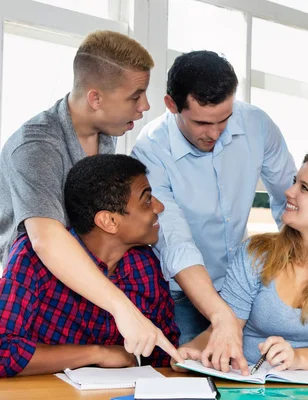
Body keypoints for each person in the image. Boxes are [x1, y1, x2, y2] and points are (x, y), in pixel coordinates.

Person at [0, 30, 182, 363]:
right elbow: (46, 240)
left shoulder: (106, 136)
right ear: (95, 98)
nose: (145, 106)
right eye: (135, 95)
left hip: (80, 299)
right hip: (25, 304)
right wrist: (123, 309)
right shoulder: (35, 147)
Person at [131, 50, 296, 372]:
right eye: (202, 122)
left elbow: (288, 200)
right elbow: (174, 239)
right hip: (181, 294)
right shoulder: (150, 149)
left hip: (243, 285)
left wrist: (298, 270)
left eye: (224, 119)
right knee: (187, 376)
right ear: (171, 105)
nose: (215, 132)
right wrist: (221, 316)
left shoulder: (257, 124)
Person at [172, 151, 308, 372]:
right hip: (249, 384)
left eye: (304, 188)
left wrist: (296, 358)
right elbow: (222, 330)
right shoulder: (255, 252)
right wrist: (189, 354)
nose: (289, 192)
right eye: (294, 183)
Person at [0, 154, 180, 377]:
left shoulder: (145, 265)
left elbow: (162, 352)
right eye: (147, 200)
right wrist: (98, 354)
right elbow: (3, 352)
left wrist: (187, 357)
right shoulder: (32, 257)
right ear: (109, 221)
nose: (159, 207)